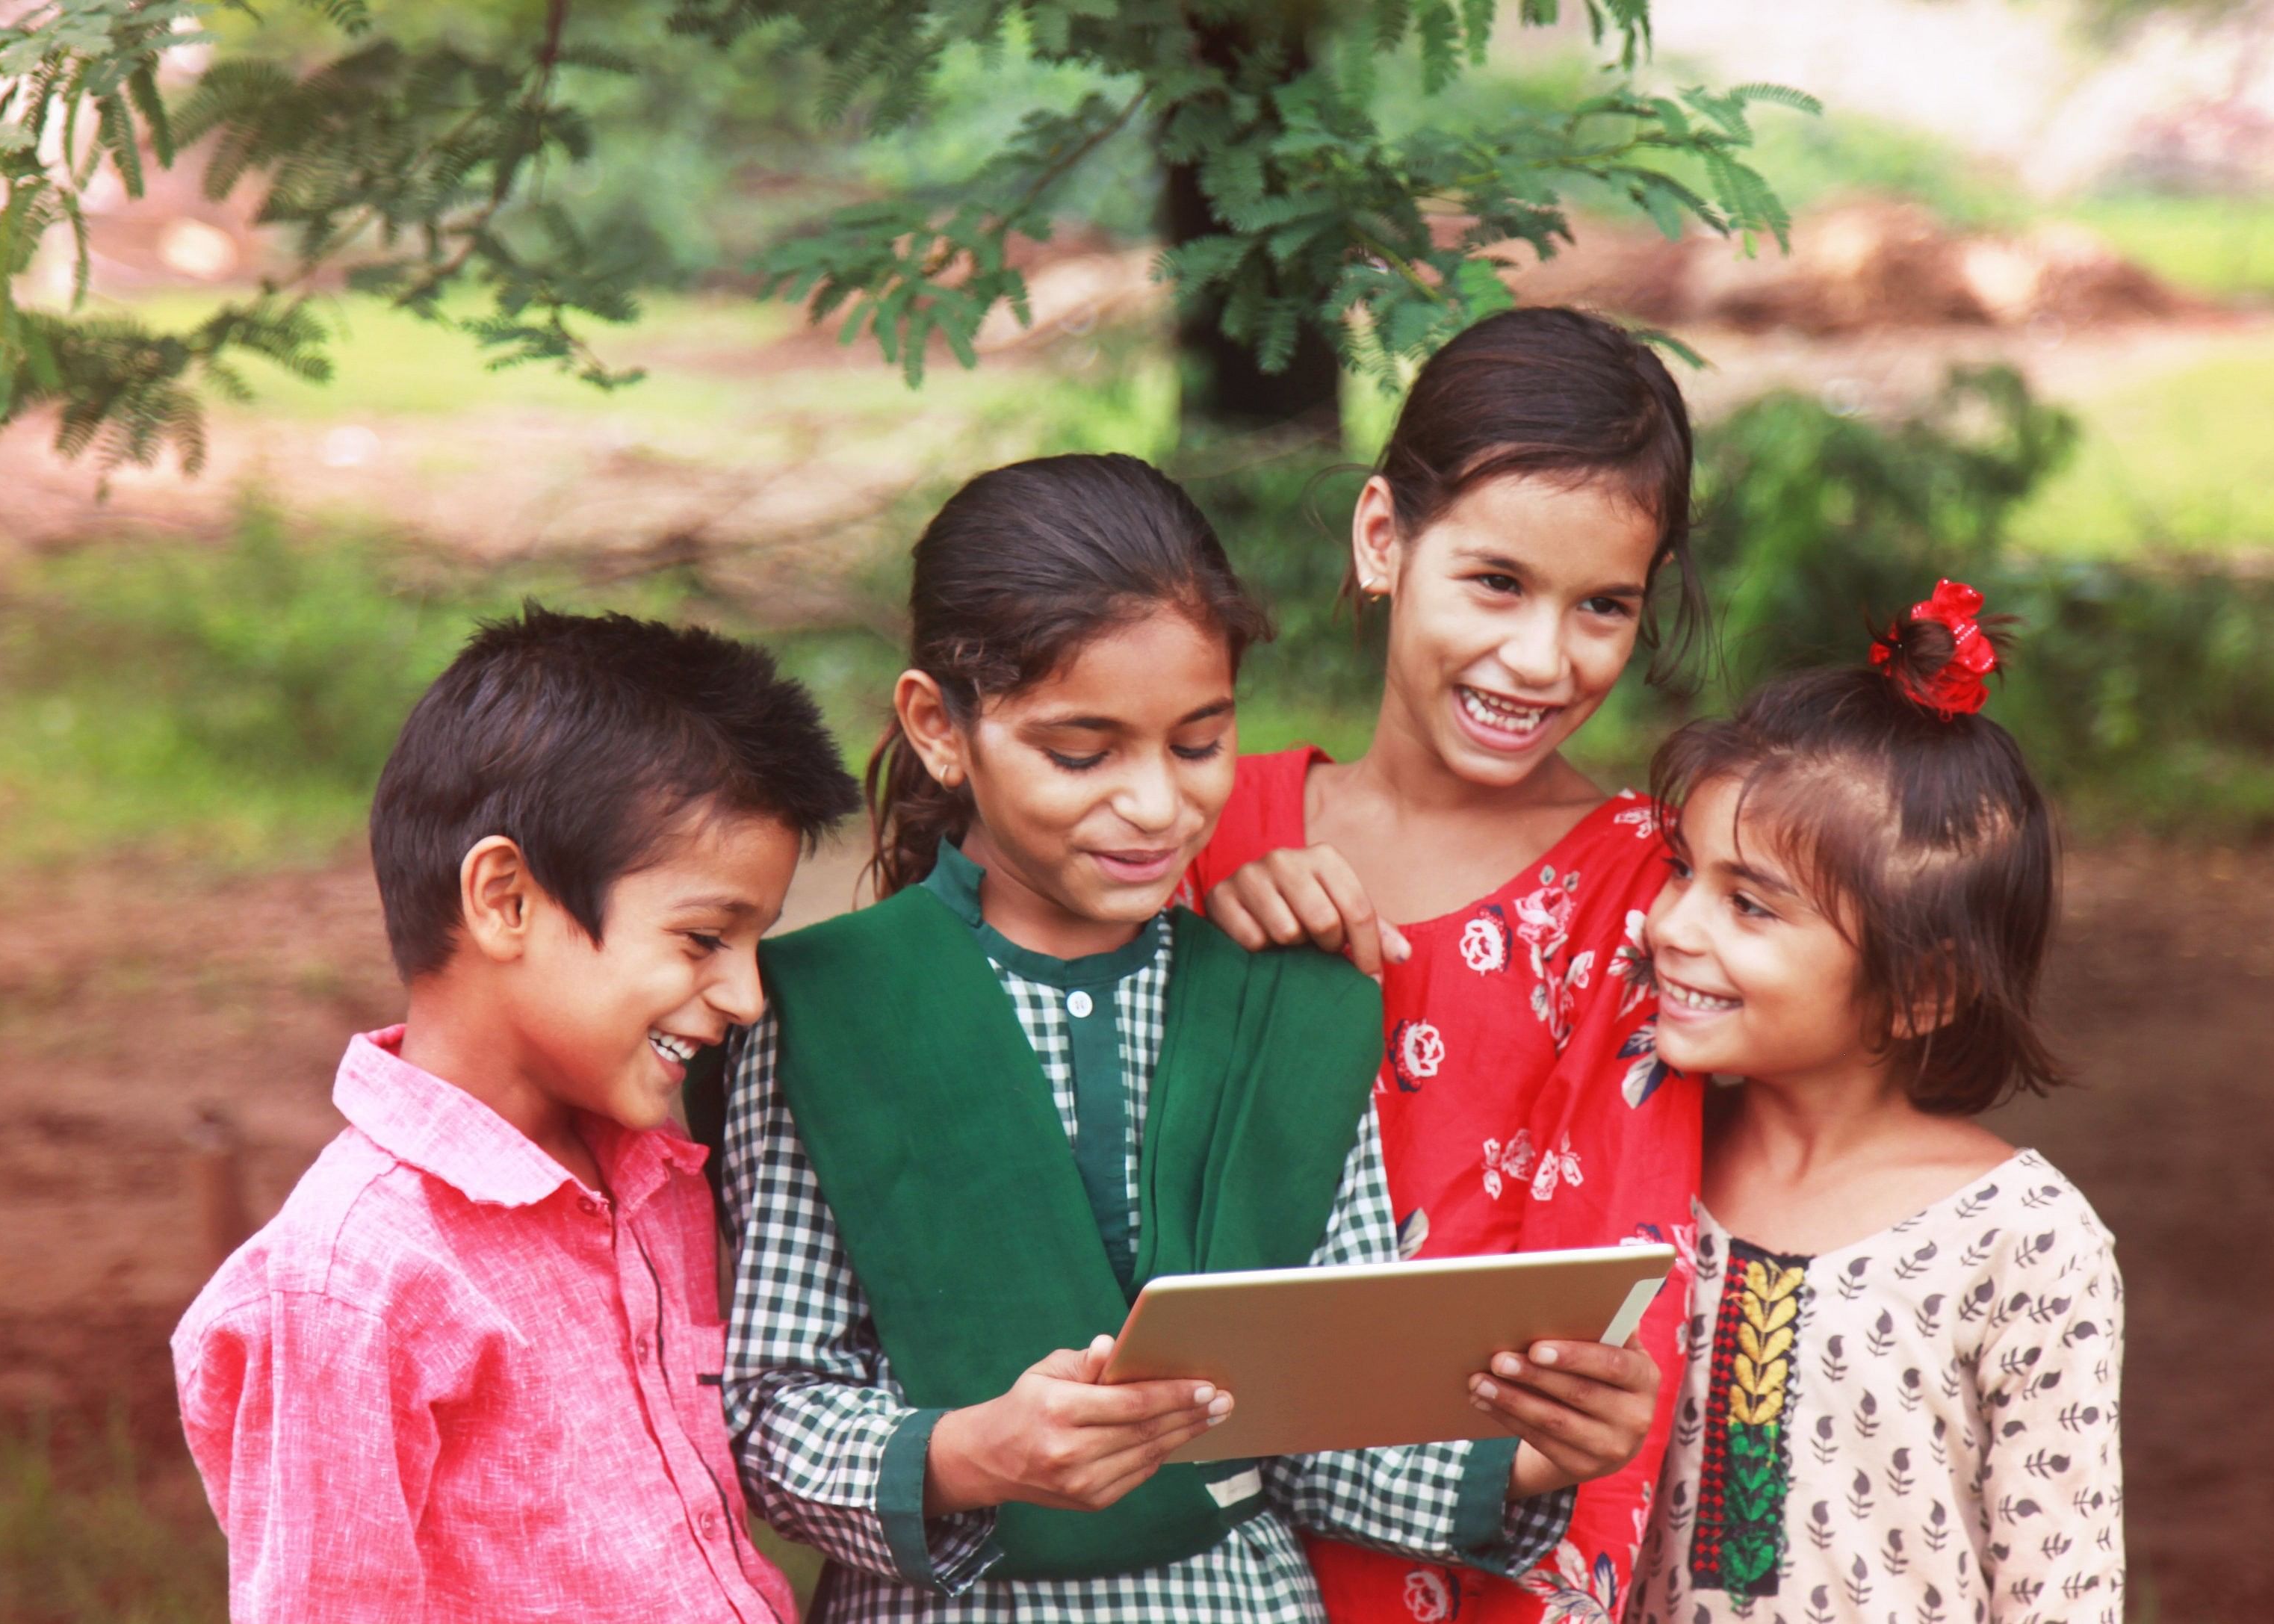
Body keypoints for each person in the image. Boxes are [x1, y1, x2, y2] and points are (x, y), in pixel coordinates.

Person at [709, 453, 1661, 1623]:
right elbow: (774, 1403)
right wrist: (970, 1454)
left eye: (1198, 743)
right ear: (938, 727)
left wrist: (1537, 1452)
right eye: (1081, 752)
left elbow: (1323, 1416)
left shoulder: (1289, 1014)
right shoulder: (826, 1015)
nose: (1157, 805)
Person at [172, 609, 859, 1622]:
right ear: (505, 898)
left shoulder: (652, 1178)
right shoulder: (353, 1279)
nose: (748, 996)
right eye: (705, 936)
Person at [1183, 306, 1706, 1622]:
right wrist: (1197, 944)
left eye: (1604, 608)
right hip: (1168, 1562)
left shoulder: (1638, 897)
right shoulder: (1193, 831)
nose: (1541, 658)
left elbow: (1605, 1317)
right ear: (1382, 540)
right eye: (1497, 581)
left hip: (1476, 1562)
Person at [1630, 581, 2123, 1624]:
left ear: (1923, 989)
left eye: (1749, 903)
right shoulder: (1640, 1148)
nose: (1672, 924)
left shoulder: (2022, 1239)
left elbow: (2061, 1588)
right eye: (1681, 869)